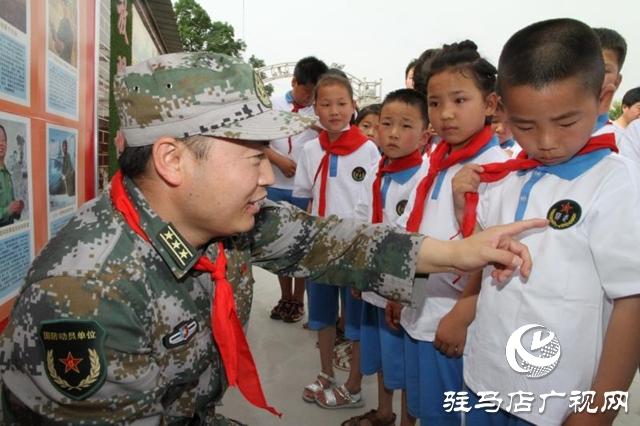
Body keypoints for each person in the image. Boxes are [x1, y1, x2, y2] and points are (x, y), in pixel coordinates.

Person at [0, 52, 544, 425]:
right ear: (172, 160)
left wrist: (460, 252)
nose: (269, 178)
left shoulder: (215, 219)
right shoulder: (88, 295)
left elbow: (329, 241)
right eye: (254, 157)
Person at [447, 19, 640, 425]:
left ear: (604, 98)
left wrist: (597, 412)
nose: (546, 141)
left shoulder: (614, 183)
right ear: (500, 108)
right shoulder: (505, 176)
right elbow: (482, 257)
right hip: (484, 380)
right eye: (526, 125)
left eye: (566, 122)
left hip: (555, 400)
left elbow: (632, 301)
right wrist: (464, 310)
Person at [394, 41, 508, 426]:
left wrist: (462, 313)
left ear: (490, 104)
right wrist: (404, 292)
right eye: (435, 102)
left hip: (454, 324)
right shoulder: (437, 161)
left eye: (460, 100)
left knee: (450, 415)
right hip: (422, 311)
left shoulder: (497, 169)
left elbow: (492, 253)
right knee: (423, 408)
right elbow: (422, 241)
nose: (445, 114)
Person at [294, 73, 380, 409]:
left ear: (353, 106)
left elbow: (373, 203)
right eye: (326, 104)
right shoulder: (311, 149)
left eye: (341, 103)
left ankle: (354, 384)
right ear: (315, 108)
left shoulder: (368, 149)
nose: (334, 111)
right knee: (322, 316)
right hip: (320, 247)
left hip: (354, 247)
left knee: (355, 317)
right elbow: (304, 196)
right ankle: (326, 373)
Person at [343, 88, 429, 426]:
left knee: (405, 360)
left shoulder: (424, 179)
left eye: (406, 126)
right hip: (373, 284)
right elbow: (363, 224)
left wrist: (404, 292)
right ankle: (383, 411)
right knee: (381, 355)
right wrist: (356, 273)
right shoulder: (377, 173)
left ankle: (408, 421)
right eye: (386, 123)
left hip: (401, 291)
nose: (393, 133)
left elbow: (418, 241)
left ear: (424, 136)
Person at [266, 56, 328, 324]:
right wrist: (278, 160)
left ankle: (298, 300)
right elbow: (259, 143)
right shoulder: (273, 105)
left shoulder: (321, 112)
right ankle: (284, 297)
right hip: (276, 186)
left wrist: (316, 123)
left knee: (301, 245)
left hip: (304, 190)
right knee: (280, 245)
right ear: (294, 83)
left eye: (315, 93)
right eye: (307, 91)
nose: (310, 97)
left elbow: (333, 138)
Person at [593, 27, 627, 144]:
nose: (592, 77)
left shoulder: (622, 141)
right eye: (584, 69)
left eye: (604, 70)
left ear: (617, 81)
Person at [0, 124, 24, 227]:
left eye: (3, 140)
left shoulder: (7, 174)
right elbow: (7, 210)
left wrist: (17, 210)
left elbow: (12, 211)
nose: (1, 144)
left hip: (9, 235)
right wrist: (8, 210)